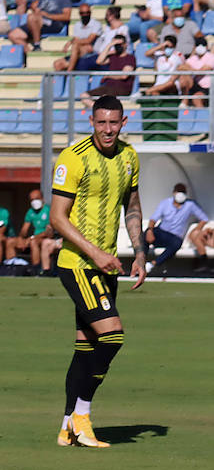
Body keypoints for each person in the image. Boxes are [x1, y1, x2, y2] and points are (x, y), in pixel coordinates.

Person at [49, 95, 145, 449]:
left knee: (86, 347)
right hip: (78, 264)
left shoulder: (129, 157)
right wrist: (95, 253)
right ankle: (82, 416)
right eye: (101, 122)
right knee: (112, 335)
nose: (108, 129)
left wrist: (139, 251)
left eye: (114, 123)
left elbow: (132, 207)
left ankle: (66, 429)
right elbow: (56, 218)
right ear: (92, 121)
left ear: (124, 121)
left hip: (107, 267)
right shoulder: (73, 158)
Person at [144, 182, 207, 274]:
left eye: (183, 192)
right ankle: (141, 262)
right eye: (179, 192)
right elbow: (153, 219)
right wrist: (150, 230)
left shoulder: (191, 205)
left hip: (174, 236)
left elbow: (204, 218)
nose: (181, 194)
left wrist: (197, 229)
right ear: (174, 192)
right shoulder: (165, 203)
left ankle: (152, 264)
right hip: (161, 232)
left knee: (177, 243)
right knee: (145, 234)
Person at [17, 188, 60, 274]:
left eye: (36, 199)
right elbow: (24, 229)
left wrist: (32, 238)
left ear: (42, 199)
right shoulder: (30, 212)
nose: (34, 201)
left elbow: (49, 232)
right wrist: (22, 238)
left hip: (47, 238)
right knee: (12, 242)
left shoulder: (48, 210)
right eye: (32, 200)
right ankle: (9, 267)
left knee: (34, 242)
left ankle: (35, 269)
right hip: (34, 238)